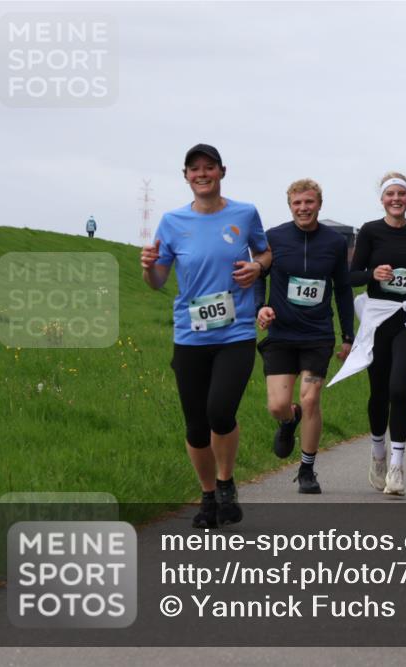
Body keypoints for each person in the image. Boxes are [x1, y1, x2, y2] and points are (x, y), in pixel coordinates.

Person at [140, 144, 270, 528]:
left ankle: (226, 482)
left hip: (236, 332)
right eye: (194, 169)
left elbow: (265, 254)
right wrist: (148, 267)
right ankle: (208, 495)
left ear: (221, 172)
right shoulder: (171, 222)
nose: (202, 174)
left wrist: (257, 268)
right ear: (186, 176)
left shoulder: (245, 213)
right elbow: (157, 280)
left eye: (209, 167)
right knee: (196, 425)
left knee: (220, 411)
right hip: (190, 334)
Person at [329, 172, 406, 496]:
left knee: (399, 387)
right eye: (390, 194)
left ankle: (397, 466)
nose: (396, 199)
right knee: (380, 391)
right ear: (382, 199)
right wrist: (373, 273)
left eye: (401, 194)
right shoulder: (371, 231)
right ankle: (378, 453)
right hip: (379, 319)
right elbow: (351, 277)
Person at [255, 179, 355, 494]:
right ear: (290, 206)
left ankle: (307, 469)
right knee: (278, 405)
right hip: (282, 333)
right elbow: (259, 275)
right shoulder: (274, 238)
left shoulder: (335, 243)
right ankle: (289, 420)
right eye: (297, 203)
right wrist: (260, 307)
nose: (303, 208)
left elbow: (343, 289)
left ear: (319, 204)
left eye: (309, 202)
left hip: (317, 335)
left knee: (310, 398)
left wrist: (348, 335)